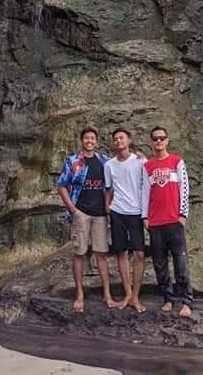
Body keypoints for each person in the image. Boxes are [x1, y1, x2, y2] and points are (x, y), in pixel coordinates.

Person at [56, 126, 115, 312]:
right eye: (86, 138)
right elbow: (61, 185)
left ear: (96, 141)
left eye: (92, 138)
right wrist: (73, 209)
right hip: (81, 212)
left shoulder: (105, 161)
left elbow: (112, 184)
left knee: (102, 254)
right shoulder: (73, 161)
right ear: (82, 141)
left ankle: (107, 293)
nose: (89, 141)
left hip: (100, 215)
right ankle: (79, 293)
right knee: (79, 253)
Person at [141, 125, 193, 318]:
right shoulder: (148, 167)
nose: (159, 141)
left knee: (180, 262)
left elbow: (184, 189)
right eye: (155, 138)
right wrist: (144, 217)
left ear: (167, 140)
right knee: (160, 264)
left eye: (162, 138)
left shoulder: (177, 162)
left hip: (174, 220)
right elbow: (145, 192)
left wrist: (182, 215)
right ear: (151, 142)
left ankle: (187, 301)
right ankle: (168, 299)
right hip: (155, 222)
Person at [104, 128, 146, 313]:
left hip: (136, 212)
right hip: (117, 211)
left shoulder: (139, 161)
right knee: (121, 253)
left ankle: (136, 296)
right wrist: (107, 208)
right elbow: (108, 189)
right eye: (115, 139)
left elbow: (148, 185)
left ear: (129, 140)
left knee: (139, 254)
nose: (118, 141)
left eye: (121, 138)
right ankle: (128, 293)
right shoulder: (109, 165)